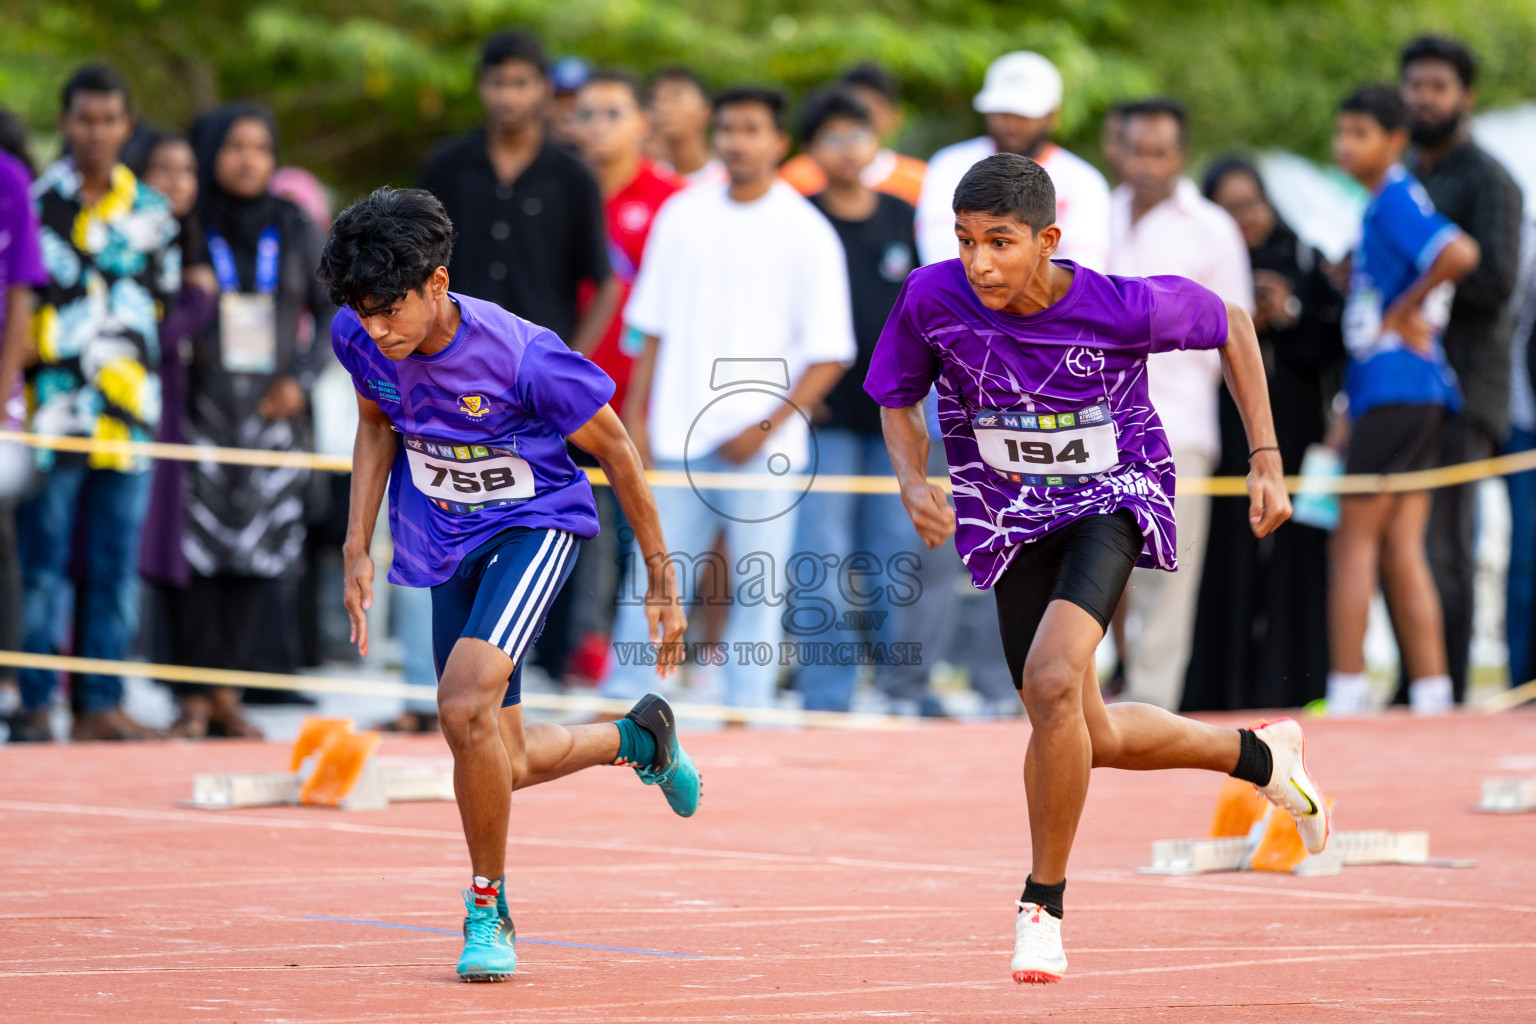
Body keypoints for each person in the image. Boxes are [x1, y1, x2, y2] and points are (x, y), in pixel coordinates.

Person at [864, 152, 1325, 983]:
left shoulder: (1121, 304)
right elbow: (897, 396)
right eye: (964, 241)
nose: (979, 263)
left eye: (999, 243)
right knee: (1086, 729)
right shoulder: (934, 297)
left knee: (1048, 685)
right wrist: (912, 479)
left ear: (1047, 240)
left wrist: (1266, 456)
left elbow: (1234, 324)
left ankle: (1043, 906)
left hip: (1114, 495)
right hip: (1008, 515)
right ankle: (1261, 759)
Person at [318, 186, 695, 982]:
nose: (377, 328)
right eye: (362, 311)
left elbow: (620, 453)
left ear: (437, 285)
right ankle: (638, 738)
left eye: (391, 310)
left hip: (535, 527)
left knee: (461, 704)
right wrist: (358, 542)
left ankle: (487, 908)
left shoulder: (523, 354)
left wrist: (661, 577)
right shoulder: (357, 335)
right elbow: (376, 423)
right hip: (439, 536)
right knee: (502, 755)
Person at [600, 86, 856, 709]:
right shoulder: (683, 214)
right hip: (677, 432)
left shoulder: (807, 230)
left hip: (766, 447)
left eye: (751, 129)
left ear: (778, 142)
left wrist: (765, 427)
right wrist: (635, 422)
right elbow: (650, 327)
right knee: (654, 573)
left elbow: (831, 351)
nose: (736, 141)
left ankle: (748, 706)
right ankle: (627, 698)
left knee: (758, 587)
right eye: (728, 128)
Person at [146, 103, 332, 737]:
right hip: (199, 414)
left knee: (256, 555)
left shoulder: (294, 223)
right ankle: (192, 697)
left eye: (260, 147)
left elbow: (336, 316)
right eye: (234, 146)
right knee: (195, 554)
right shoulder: (188, 224)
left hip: (270, 418)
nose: (249, 159)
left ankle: (227, 694)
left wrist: (300, 382)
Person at [16, 66, 180, 742]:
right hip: (51, 408)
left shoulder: (152, 211)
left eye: (109, 120)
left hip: (127, 413)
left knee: (115, 568)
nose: (96, 132)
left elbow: (161, 305)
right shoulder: (33, 201)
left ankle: (99, 704)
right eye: (84, 119)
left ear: (127, 127)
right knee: (44, 564)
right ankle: (33, 703)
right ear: (64, 123)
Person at [1327, 85, 1479, 716]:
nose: (1344, 145)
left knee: (1354, 543)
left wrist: (1401, 309)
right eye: (1341, 132)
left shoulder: (1392, 197)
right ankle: (1432, 690)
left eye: (1359, 133)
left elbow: (1460, 252)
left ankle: (1346, 689)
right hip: (1412, 389)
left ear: (1395, 141)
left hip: (1396, 386)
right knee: (1401, 545)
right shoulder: (1378, 205)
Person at [1106, 98, 1254, 712]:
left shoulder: (1212, 227)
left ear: (1180, 156)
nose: (1147, 164)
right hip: (1089, 422)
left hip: (1179, 423)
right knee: (1093, 561)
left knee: (1168, 571)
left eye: (1161, 152)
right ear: (1119, 148)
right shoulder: (1090, 214)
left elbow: (1235, 333)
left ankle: (1151, 705)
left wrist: (1259, 445)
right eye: (1137, 149)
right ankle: (1092, 693)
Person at [1185, 157, 1346, 710]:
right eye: (1229, 207)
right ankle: (1217, 687)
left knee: (1296, 553)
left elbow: (1331, 342)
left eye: (1252, 202)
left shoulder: (1300, 256)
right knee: (1221, 553)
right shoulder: (1202, 259)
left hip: (1294, 430)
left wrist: (1289, 312)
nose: (1245, 218)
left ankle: (1294, 684)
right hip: (1224, 431)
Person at [1399, 36, 1524, 705]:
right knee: (1400, 540)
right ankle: (1419, 681)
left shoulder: (1490, 180)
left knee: (1446, 545)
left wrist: (1420, 283)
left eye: (1437, 86)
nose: (1423, 98)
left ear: (1465, 97)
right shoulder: (1400, 175)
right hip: (1398, 388)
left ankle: (1441, 693)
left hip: (1464, 389)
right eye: (1414, 85)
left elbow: (1498, 283)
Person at [790, 89, 918, 712]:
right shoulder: (798, 217)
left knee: (896, 556)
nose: (847, 149)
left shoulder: (902, 216)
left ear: (877, 142)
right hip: (826, 415)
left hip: (896, 415)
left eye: (858, 134)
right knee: (823, 561)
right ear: (812, 151)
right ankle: (826, 695)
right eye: (832, 137)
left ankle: (897, 688)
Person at [419, 29, 618, 354]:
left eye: (520, 83)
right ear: (481, 86)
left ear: (545, 88)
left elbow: (605, 285)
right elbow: (414, 263)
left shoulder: (573, 176)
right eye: (497, 83)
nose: (507, 96)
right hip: (452, 357)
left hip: (538, 362)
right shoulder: (445, 166)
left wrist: (568, 363)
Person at [915, 51, 1109, 270]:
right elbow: (939, 250)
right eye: (1002, 112)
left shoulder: (1083, 180)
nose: (1011, 124)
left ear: (1052, 117)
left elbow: (1083, 266)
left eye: (1023, 115)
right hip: (960, 301)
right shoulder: (950, 165)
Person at [0, 133, 46, 736]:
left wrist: (4, 385)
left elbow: (21, 296)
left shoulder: (9, 179)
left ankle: (8, 682)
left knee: (2, 536)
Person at [780, 63, 926, 206]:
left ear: (894, 115)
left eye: (858, 133)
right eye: (833, 139)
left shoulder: (921, 180)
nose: (848, 146)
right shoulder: (795, 179)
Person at [645, 67, 722, 185]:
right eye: (659, 100)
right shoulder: (647, 179)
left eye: (676, 97)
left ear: (706, 111)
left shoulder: (727, 180)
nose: (665, 108)